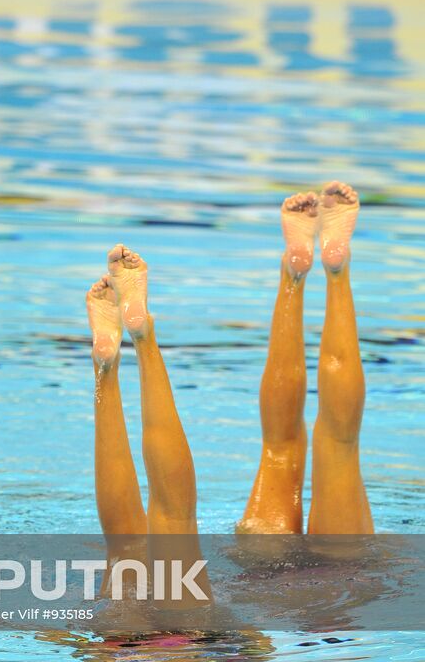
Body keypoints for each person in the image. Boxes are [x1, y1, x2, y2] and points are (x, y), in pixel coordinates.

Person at [86, 181, 373, 540]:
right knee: (133, 543)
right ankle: (126, 352)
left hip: (280, 558)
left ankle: (305, 273)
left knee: (296, 450)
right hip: (332, 571)